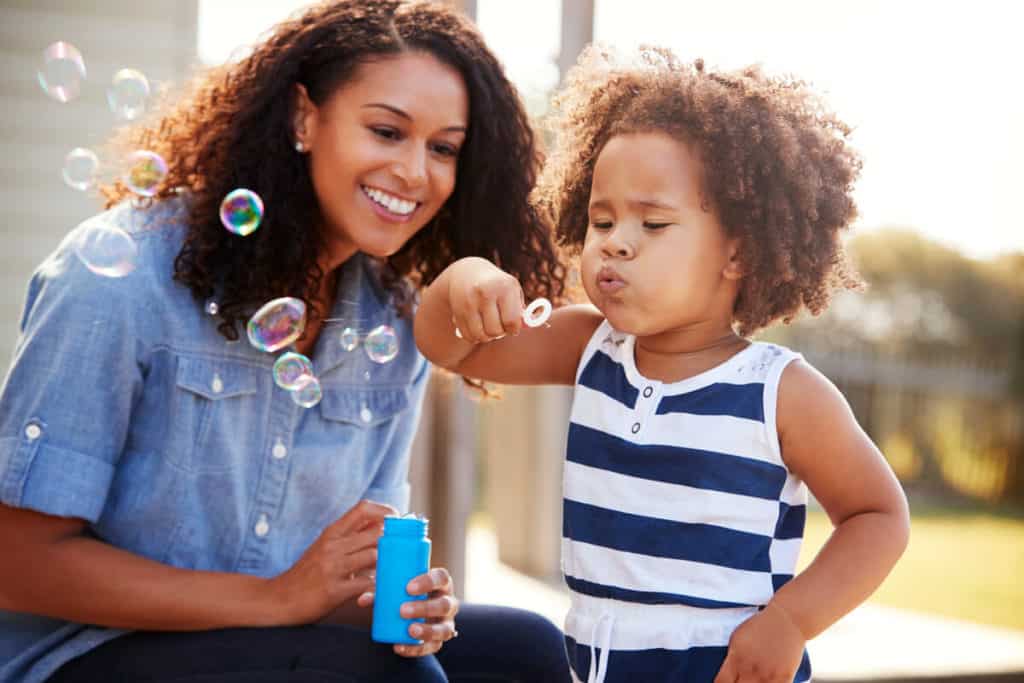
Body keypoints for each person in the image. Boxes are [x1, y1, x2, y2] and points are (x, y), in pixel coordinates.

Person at [0, 2, 571, 682]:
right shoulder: (121, 275)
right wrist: (277, 599)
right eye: (387, 130)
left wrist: (405, 604)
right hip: (86, 650)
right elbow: (18, 563)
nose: (416, 172)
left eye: (444, 147)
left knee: (525, 649)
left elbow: (338, 584)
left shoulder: (392, 318)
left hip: (275, 637)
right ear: (304, 118)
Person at [414, 45, 911, 683]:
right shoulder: (588, 347)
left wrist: (792, 621)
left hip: (727, 665)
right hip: (594, 663)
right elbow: (448, 347)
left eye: (652, 223)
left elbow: (878, 516)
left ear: (738, 253)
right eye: (601, 219)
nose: (616, 241)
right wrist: (463, 278)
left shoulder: (779, 391)